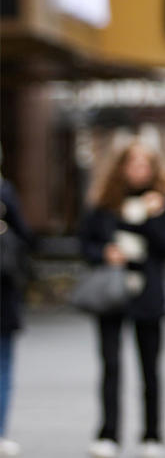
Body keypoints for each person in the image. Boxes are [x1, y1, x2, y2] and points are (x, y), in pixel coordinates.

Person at [78, 141, 165, 458]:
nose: (138, 170)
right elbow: (85, 244)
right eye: (132, 163)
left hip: (147, 293)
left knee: (150, 368)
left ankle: (153, 434)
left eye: (144, 164)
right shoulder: (104, 203)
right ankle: (108, 433)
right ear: (121, 167)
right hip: (112, 292)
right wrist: (105, 253)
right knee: (111, 365)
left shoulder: (162, 204)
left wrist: (149, 217)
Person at [0, 165, 34, 458]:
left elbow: (26, 239)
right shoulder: (5, 193)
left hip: (4, 297)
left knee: (3, 363)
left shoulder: (5, 194)